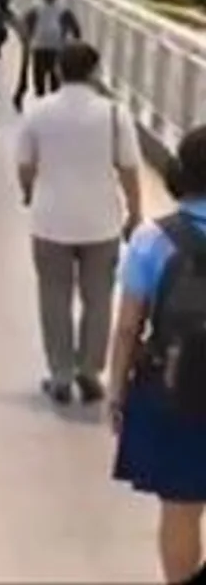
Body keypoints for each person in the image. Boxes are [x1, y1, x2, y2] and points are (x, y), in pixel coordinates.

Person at [16, 42, 142, 405]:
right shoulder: (115, 114)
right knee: (98, 298)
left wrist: (29, 192)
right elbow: (129, 169)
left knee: (53, 296)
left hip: (50, 220)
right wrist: (135, 213)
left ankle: (59, 374)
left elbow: (24, 165)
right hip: (100, 221)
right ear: (94, 71)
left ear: (57, 69)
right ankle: (89, 371)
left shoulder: (38, 112)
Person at [110, 125, 206, 583]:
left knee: (181, 507)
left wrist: (116, 392)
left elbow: (129, 326)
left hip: (175, 388)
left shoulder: (152, 238)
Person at [15, 0, 82, 109]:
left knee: (55, 81)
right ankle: (41, 106)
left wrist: (75, 42)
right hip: (39, 48)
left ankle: (53, 107)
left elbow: (74, 26)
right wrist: (26, 39)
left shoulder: (63, 8)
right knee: (39, 81)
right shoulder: (36, 6)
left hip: (57, 49)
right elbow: (26, 24)